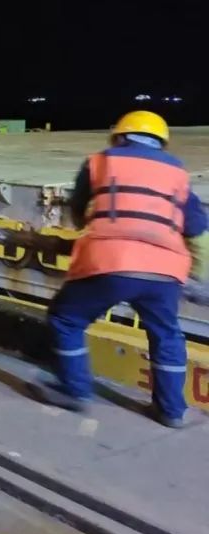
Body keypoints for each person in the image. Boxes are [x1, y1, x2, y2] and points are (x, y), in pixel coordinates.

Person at [29, 111, 208, 427]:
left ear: (120, 137)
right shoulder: (178, 174)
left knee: (66, 319)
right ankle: (172, 411)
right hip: (165, 271)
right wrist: (198, 275)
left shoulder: (100, 162)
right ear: (161, 143)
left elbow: (79, 211)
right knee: (167, 336)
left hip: (109, 262)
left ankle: (75, 390)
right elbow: (198, 232)